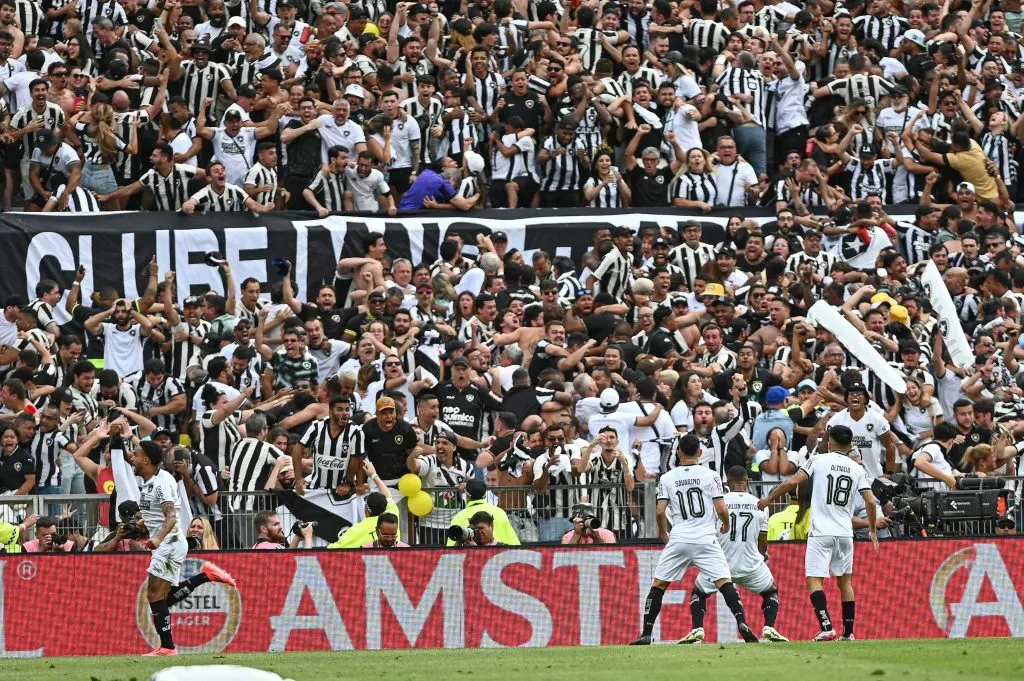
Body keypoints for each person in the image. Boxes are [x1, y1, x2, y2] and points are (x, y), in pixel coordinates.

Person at [631, 433, 759, 645]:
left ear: (678, 452)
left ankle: (646, 633)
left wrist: (663, 533)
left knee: (659, 585)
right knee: (724, 582)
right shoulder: (711, 476)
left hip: (679, 537)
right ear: (700, 452)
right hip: (705, 538)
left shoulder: (667, 478)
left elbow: (660, 511)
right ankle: (742, 623)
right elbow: (721, 508)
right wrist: (726, 524)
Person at [758, 425, 878, 642]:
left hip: (821, 532)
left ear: (829, 444)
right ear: (850, 446)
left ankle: (827, 627)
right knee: (845, 583)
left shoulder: (818, 460)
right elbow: (870, 501)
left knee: (814, 580)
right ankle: (848, 633)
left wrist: (769, 499)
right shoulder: (857, 468)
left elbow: (792, 482)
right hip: (845, 533)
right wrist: (872, 529)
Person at [133, 441, 235, 657]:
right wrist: (143, 524)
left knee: (154, 595)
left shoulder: (161, 483)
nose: (132, 458)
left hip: (168, 543)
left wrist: (158, 538)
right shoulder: (152, 480)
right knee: (162, 597)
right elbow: (158, 514)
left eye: (136, 455)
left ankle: (167, 647)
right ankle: (205, 576)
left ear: (146, 460)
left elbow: (171, 516)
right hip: (168, 543)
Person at [679, 466, 788, 644]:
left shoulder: (718, 503)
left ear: (727, 484)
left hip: (719, 564)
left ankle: (697, 628)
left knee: (699, 593)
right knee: (771, 591)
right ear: (747, 482)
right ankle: (769, 626)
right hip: (750, 564)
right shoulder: (759, 504)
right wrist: (761, 553)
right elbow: (762, 541)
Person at [446, 478, 520, 546]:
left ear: (468, 495)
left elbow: (450, 548)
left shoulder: (458, 517)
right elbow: (514, 541)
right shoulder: (500, 512)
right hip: (502, 553)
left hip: (473, 555)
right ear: (484, 494)